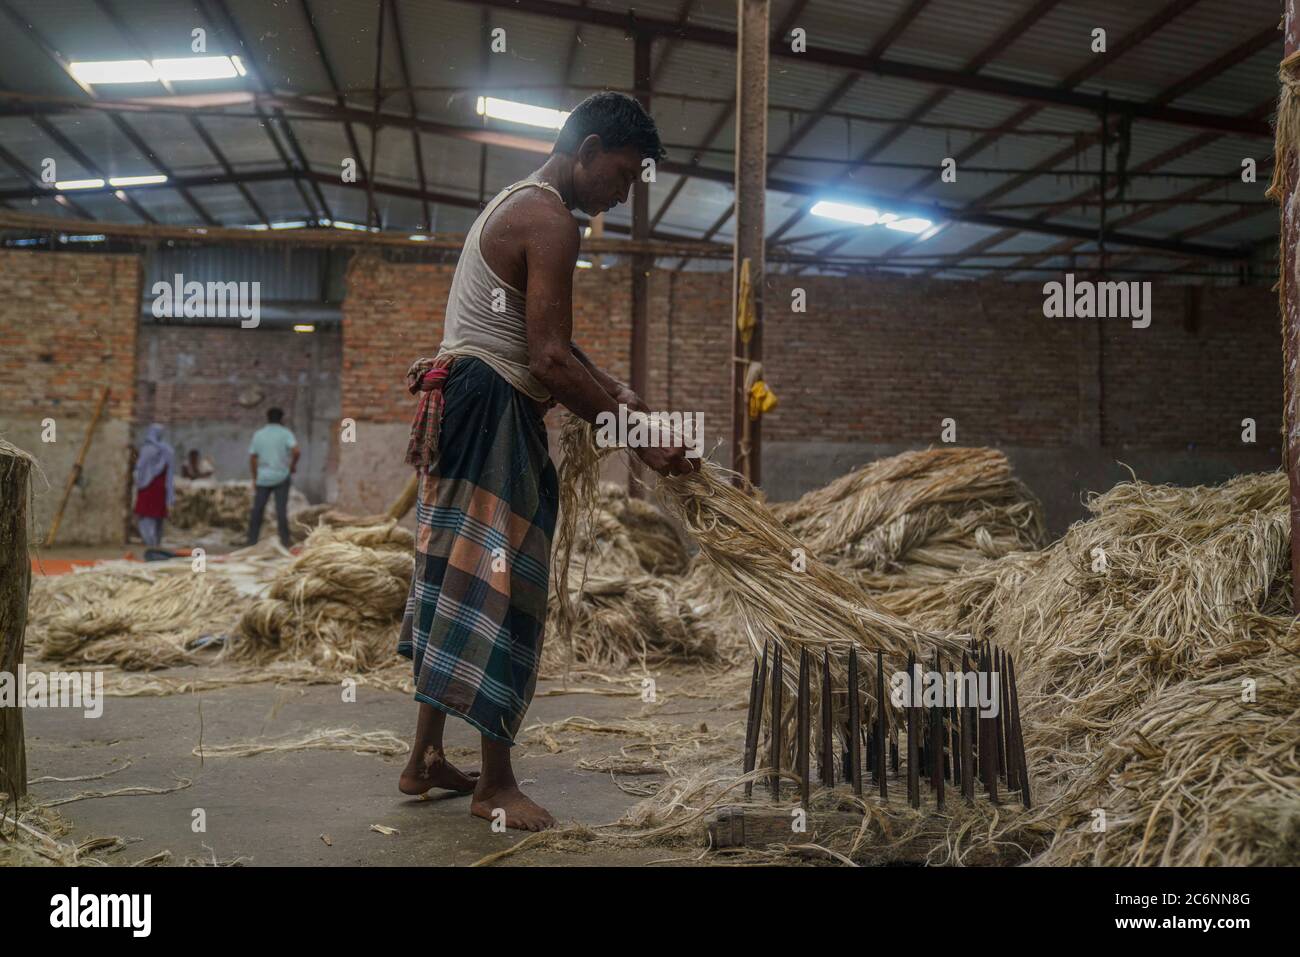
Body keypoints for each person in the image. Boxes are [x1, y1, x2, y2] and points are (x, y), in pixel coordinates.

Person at [397, 92, 696, 832]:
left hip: (469, 401)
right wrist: (640, 437)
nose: (623, 195)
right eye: (622, 176)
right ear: (588, 150)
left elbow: (551, 339)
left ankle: (425, 757)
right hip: (491, 409)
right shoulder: (552, 221)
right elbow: (550, 360)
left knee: (455, 575)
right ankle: (494, 783)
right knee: (505, 586)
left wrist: (616, 390)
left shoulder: (521, 203)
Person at [246, 407, 300, 547]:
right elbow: (296, 451)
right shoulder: (286, 433)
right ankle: (285, 542)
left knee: (257, 510)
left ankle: (251, 541)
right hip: (281, 476)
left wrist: (255, 477)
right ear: (282, 419)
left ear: (267, 418)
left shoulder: (259, 434)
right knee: (281, 510)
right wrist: (292, 466)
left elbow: (252, 457)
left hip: (263, 478)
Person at [133, 424, 175, 547]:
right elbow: (170, 474)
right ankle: (156, 543)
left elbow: (140, 469)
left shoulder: (147, 450)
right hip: (161, 490)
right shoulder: (168, 451)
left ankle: (150, 543)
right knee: (158, 520)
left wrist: (139, 481)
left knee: (145, 519)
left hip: (147, 488)